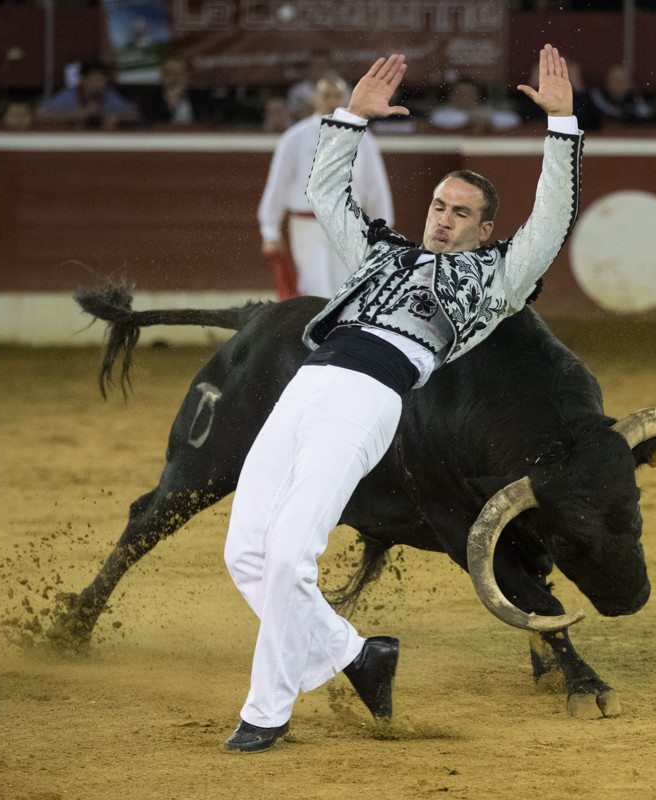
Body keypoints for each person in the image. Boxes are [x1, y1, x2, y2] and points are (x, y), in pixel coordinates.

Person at [222, 44, 583, 753]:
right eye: (439, 206)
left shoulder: (497, 278)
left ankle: (266, 715)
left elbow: (553, 217)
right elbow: (324, 196)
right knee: (247, 554)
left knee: (292, 550)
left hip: (370, 394)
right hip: (309, 380)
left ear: (486, 231)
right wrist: (349, 121)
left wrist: (562, 126)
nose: (443, 219)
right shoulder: (382, 253)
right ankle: (356, 656)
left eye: (461, 213)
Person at [257, 76, 394, 299]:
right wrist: (269, 228)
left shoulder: (364, 139)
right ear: (314, 99)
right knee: (316, 291)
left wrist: (384, 230)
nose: (332, 101)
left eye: (337, 95)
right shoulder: (295, 138)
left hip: (350, 225)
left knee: (348, 291)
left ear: (348, 99)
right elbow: (278, 185)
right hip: (308, 225)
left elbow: (377, 188)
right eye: (326, 95)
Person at [36, 60, 139, 130]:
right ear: (82, 79)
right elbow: (40, 114)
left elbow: (135, 114)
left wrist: (117, 119)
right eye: (94, 79)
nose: (98, 84)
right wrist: (75, 115)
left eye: (101, 80)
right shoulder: (68, 96)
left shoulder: (110, 97)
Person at [139, 56, 217, 126]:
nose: (175, 78)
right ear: (162, 76)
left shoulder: (200, 98)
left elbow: (207, 124)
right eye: (170, 73)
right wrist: (172, 102)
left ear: (187, 76)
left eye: (180, 74)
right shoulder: (150, 99)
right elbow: (151, 125)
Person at [429, 78, 520, 133]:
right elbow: (435, 119)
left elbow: (514, 119)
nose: (465, 97)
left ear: (476, 95)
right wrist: (469, 118)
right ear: (451, 95)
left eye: (469, 93)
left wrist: (489, 120)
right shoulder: (443, 113)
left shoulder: (483, 112)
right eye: (460, 93)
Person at [588, 63, 655, 126]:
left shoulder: (639, 104)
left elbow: (646, 116)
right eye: (616, 79)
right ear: (607, 82)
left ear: (631, 84)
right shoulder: (594, 100)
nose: (619, 83)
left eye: (623, 80)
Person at [286, 48, 336, 123]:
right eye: (315, 65)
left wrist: (311, 108)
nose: (318, 70)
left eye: (322, 66)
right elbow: (294, 116)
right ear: (309, 67)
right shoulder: (297, 91)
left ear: (329, 67)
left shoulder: (342, 87)